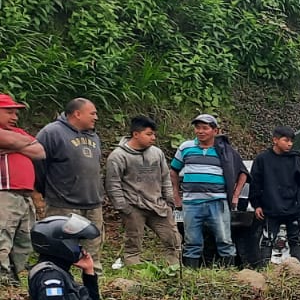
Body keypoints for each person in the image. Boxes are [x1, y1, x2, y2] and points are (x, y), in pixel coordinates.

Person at [171, 114, 246, 267]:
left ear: (215, 131)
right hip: (191, 203)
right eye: (197, 128)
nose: (200, 131)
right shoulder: (186, 147)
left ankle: (228, 273)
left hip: (217, 202)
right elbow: (173, 171)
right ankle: (191, 272)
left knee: (224, 240)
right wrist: (176, 196)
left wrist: (236, 195)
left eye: (205, 128)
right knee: (191, 241)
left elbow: (243, 172)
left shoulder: (225, 150)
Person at [105, 116, 180, 267]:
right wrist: (123, 207)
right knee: (133, 244)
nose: (153, 138)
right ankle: (135, 273)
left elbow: (165, 177)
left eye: (154, 134)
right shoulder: (118, 156)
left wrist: (169, 200)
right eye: (149, 134)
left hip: (158, 205)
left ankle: (173, 269)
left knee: (173, 240)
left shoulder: (157, 153)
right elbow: (113, 184)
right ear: (136, 134)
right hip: (133, 207)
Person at [35, 97, 104, 232]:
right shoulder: (52, 133)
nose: (96, 117)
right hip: (63, 206)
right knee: (64, 243)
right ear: (77, 114)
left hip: (93, 205)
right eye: (92, 113)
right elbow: (38, 165)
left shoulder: (94, 136)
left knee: (93, 243)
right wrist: (40, 193)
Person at [250, 127, 300, 262]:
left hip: (294, 207)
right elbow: (255, 183)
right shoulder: (262, 159)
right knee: (267, 239)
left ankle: (298, 268)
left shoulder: (295, 158)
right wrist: (257, 204)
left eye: (291, 141)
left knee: (296, 239)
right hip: (271, 206)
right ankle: (265, 268)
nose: (289, 144)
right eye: (286, 140)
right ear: (275, 140)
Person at [0, 92, 44, 281]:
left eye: (16, 113)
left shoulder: (16, 131)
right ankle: (2, 278)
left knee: (25, 238)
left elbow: (40, 151)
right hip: (4, 191)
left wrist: (16, 145)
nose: (15, 117)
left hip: (24, 194)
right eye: (9, 112)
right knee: (3, 234)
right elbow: (15, 141)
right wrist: (23, 143)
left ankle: (16, 276)